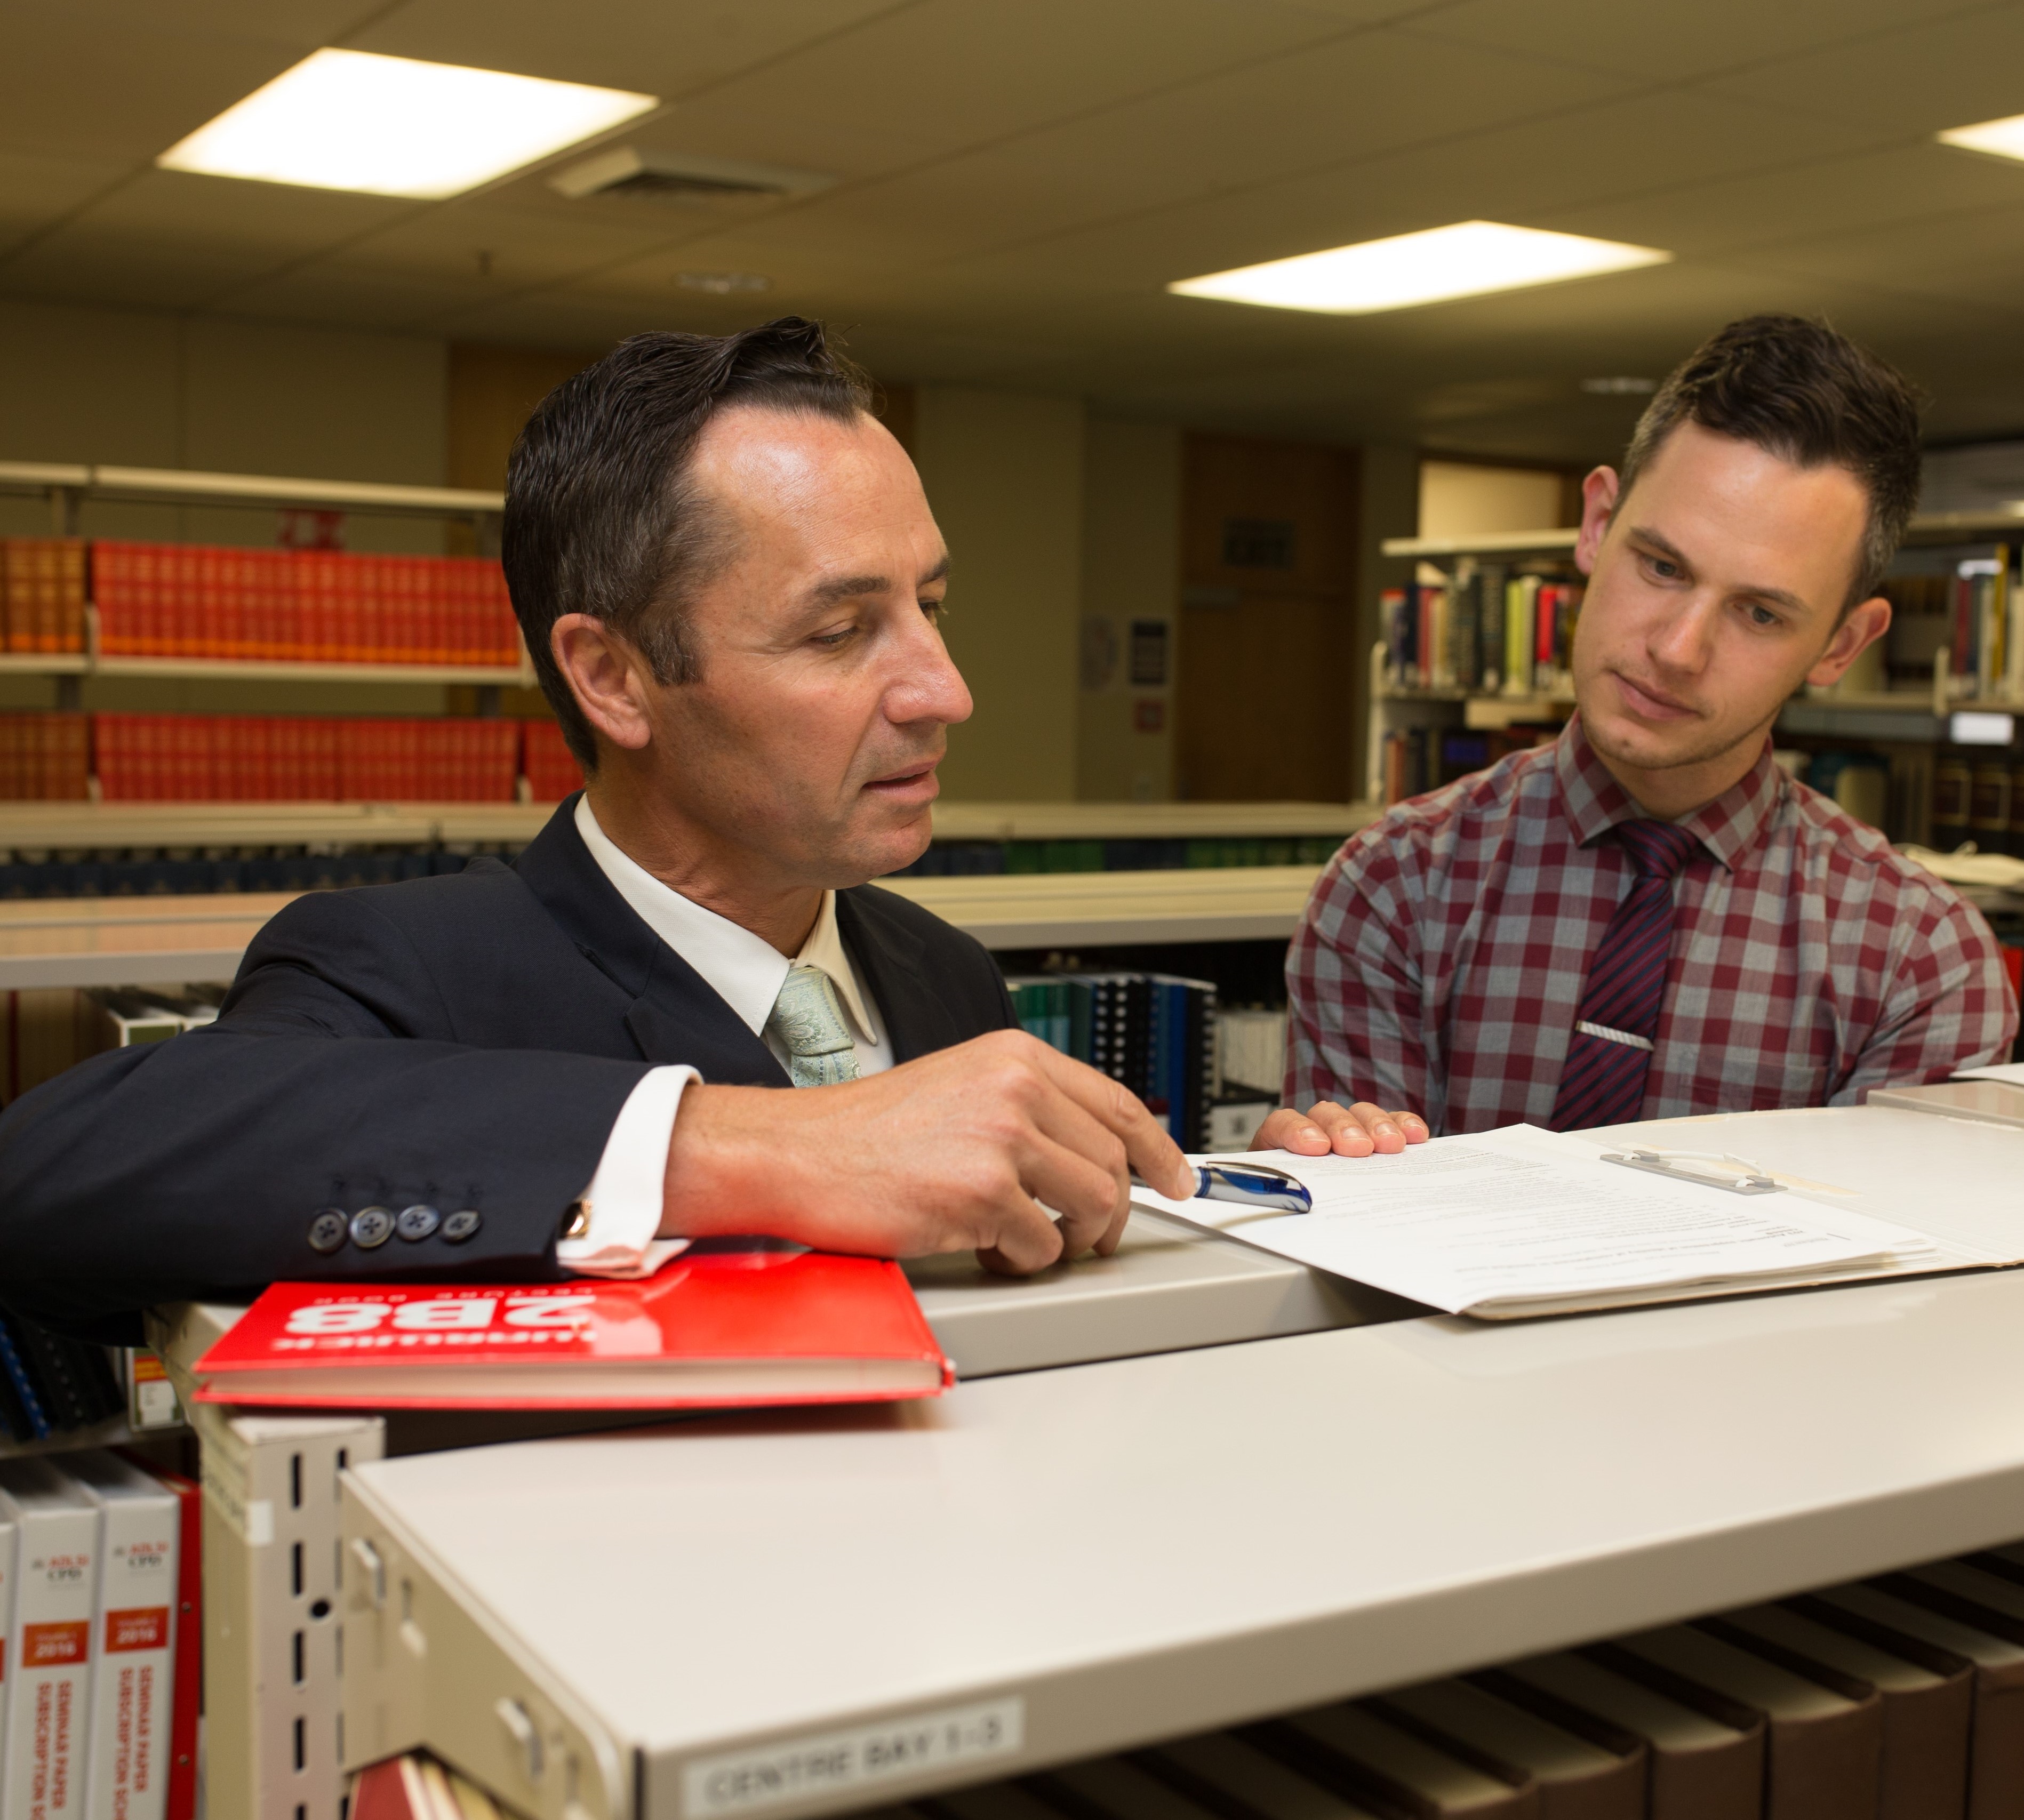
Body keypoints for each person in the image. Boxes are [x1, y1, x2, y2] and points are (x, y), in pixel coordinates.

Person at [0, 319, 1411, 1340]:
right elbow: (59, 1177)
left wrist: (1248, 1193)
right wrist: (743, 1144)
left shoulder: (939, 977)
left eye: (933, 603)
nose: (944, 689)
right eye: (843, 626)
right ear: (614, 676)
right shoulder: (409, 966)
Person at [1261, 314, 2017, 1150]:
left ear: (1841, 644)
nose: (1677, 649)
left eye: (1760, 613)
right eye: (1661, 567)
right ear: (1596, 525)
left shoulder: (1922, 965)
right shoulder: (1392, 889)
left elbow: (1891, 1277)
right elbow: (1363, 1252)